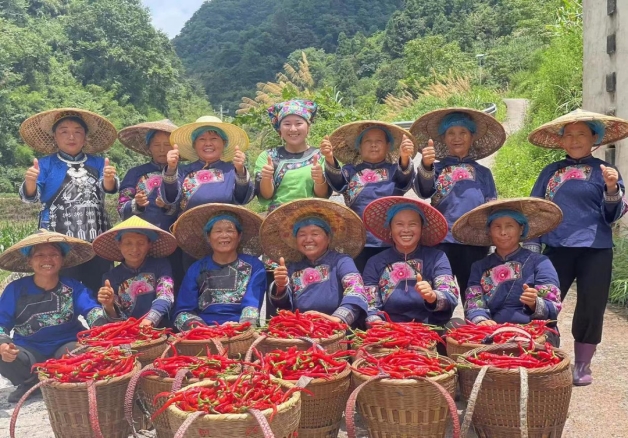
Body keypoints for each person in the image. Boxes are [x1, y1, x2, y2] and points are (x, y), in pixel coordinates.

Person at [525, 109, 628, 385]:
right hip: (557, 247)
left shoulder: (606, 171)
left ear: (594, 138)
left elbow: (613, 215)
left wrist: (610, 188)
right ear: (561, 141)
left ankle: (582, 365)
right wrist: (532, 249)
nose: (574, 140)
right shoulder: (551, 172)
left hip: (596, 249)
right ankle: (543, 354)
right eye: (568, 135)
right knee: (543, 302)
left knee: (591, 307)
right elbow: (535, 210)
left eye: (581, 134)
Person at [19, 108, 119, 294]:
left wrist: (108, 178)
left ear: (85, 137)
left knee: (99, 284)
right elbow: (31, 196)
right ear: (55, 137)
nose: (71, 136)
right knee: (63, 286)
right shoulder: (45, 164)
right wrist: (31, 181)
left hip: (96, 236)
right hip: (59, 238)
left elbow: (109, 187)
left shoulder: (98, 163)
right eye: (64, 131)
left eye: (77, 131)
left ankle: (100, 320)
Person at [411, 108, 506, 304]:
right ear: (443, 139)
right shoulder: (436, 169)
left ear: (472, 137)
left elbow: (492, 206)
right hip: (442, 239)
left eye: (463, 133)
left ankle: (474, 328)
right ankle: (439, 329)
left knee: (473, 291)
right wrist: (426, 166)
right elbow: (423, 191)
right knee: (439, 290)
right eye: (451, 133)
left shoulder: (483, 173)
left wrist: (493, 237)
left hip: (475, 241)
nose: (457, 138)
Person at [0, 230, 107, 403]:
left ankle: (61, 378)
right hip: (29, 349)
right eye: (40, 255)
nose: (47, 260)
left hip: (66, 346)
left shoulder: (73, 287)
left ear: (62, 259)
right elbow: (1, 321)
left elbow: (91, 309)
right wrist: (3, 345)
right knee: (3, 356)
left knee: (84, 353)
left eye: (53, 254)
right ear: (30, 260)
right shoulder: (15, 289)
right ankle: (30, 382)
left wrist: (103, 327)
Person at [452, 198, 563, 345]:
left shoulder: (540, 262)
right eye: (497, 226)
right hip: (494, 332)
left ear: (521, 229)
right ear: (489, 231)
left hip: (533, 331)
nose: (503, 232)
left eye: (509, 226)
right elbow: (473, 302)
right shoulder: (479, 266)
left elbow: (553, 305)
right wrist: (481, 320)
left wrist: (535, 303)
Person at [321, 121, 418, 272]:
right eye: (368, 141)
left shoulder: (394, 170)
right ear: (359, 147)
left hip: (390, 241)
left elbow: (404, 181)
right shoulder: (350, 171)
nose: (373, 145)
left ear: (388, 146)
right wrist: (329, 158)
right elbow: (338, 184)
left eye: (379, 141)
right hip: (359, 240)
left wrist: (404, 158)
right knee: (362, 283)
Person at [162, 116, 254, 270]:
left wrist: (240, 170)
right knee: (193, 281)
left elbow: (243, 197)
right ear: (194, 145)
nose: (208, 143)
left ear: (223, 143)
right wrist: (171, 169)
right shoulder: (184, 171)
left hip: (226, 239)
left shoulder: (231, 170)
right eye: (202, 139)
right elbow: (171, 199)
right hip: (190, 240)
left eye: (214, 138)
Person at [260, 199, 369, 327]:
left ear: (328, 238)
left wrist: (336, 319)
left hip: (336, 329)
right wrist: (280, 286)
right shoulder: (293, 267)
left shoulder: (341, 261)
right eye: (302, 234)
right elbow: (283, 305)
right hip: (302, 327)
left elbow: (355, 291)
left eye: (315, 233)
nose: (308, 239)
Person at [361, 197, 458, 327]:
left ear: (422, 229)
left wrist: (433, 296)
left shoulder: (437, 257)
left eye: (413, 224)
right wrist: (377, 322)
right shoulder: (375, 262)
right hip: (389, 330)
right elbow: (370, 304)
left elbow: (450, 296)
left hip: (429, 328)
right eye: (399, 224)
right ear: (390, 229)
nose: (406, 230)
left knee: (457, 325)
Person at [172, 204, 266, 331]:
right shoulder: (197, 269)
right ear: (208, 237)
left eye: (230, 230)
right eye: (218, 231)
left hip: (242, 329)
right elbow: (182, 311)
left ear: (239, 236)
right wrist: (204, 330)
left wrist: (240, 327)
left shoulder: (254, 266)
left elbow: (252, 304)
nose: (224, 235)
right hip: (204, 332)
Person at [92, 216, 178, 327]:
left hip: (160, 328)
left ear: (149, 245)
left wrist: (151, 319)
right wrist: (109, 306)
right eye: (128, 243)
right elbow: (117, 318)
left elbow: (166, 295)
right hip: (127, 333)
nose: (134, 249)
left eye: (141, 243)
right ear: (119, 245)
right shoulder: (111, 277)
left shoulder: (161, 266)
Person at [254, 99, 331, 213]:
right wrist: (266, 178)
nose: (293, 129)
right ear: (279, 129)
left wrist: (319, 179)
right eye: (287, 124)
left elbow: (323, 195)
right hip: (278, 219)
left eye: (299, 123)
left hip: (312, 218)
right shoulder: (268, 156)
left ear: (308, 127)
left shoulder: (320, 156)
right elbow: (266, 196)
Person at [117, 119, 179, 231]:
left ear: (175, 148)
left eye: (166, 145)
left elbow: (188, 206)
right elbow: (122, 209)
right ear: (149, 147)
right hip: (141, 238)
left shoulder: (183, 173)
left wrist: (167, 206)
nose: (162, 149)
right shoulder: (135, 173)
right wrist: (137, 203)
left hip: (174, 236)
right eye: (156, 145)